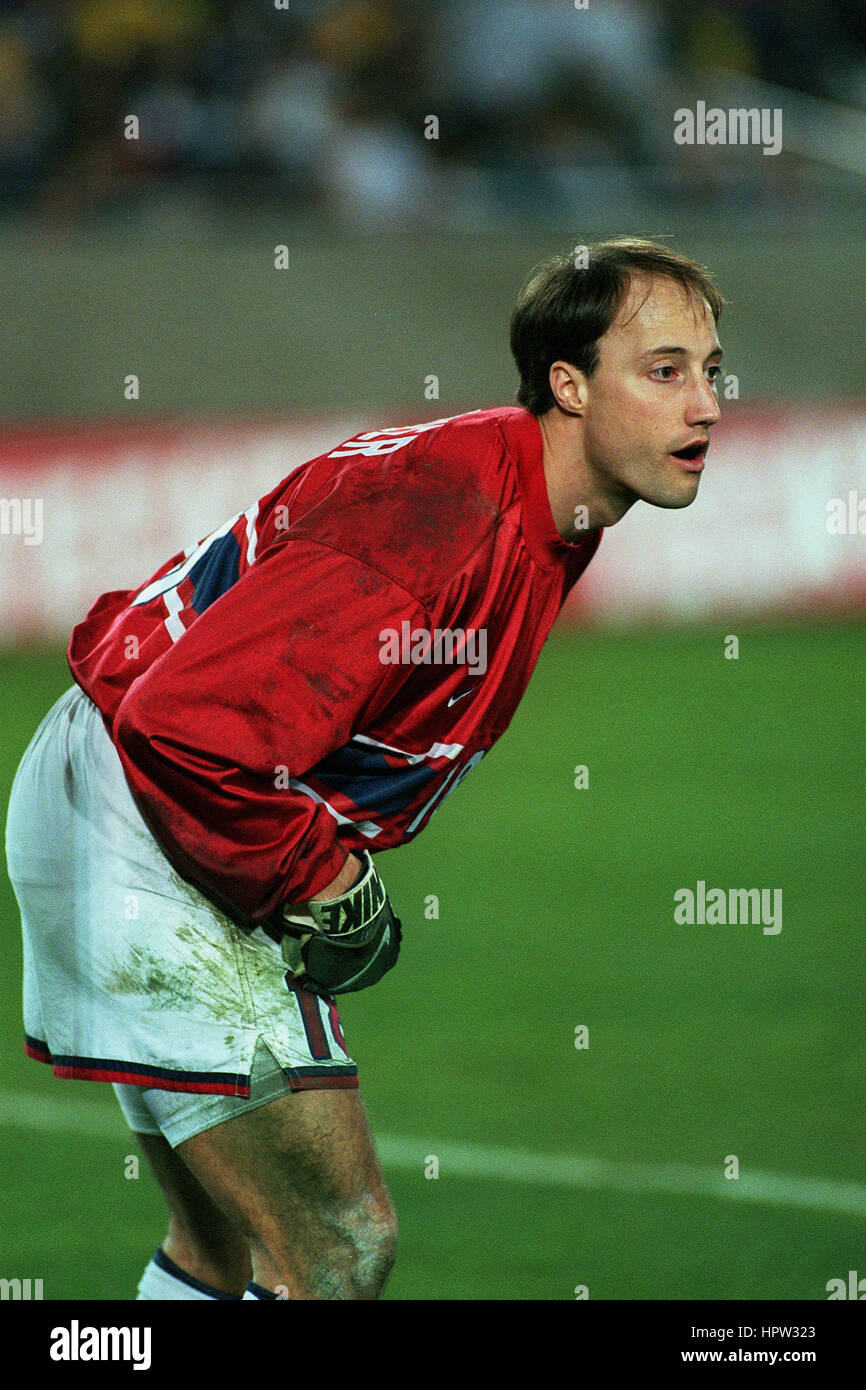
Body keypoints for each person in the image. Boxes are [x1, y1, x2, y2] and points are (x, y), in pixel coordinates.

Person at [5, 238, 724, 1301]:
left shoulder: (541, 506)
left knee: (230, 1251)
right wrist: (322, 879)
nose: (703, 404)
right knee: (336, 1248)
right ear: (566, 386)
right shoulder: (446, 515)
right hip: (150, 819)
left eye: (713, 370)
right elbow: (190, 728)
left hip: (117, 795)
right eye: (663, 371)